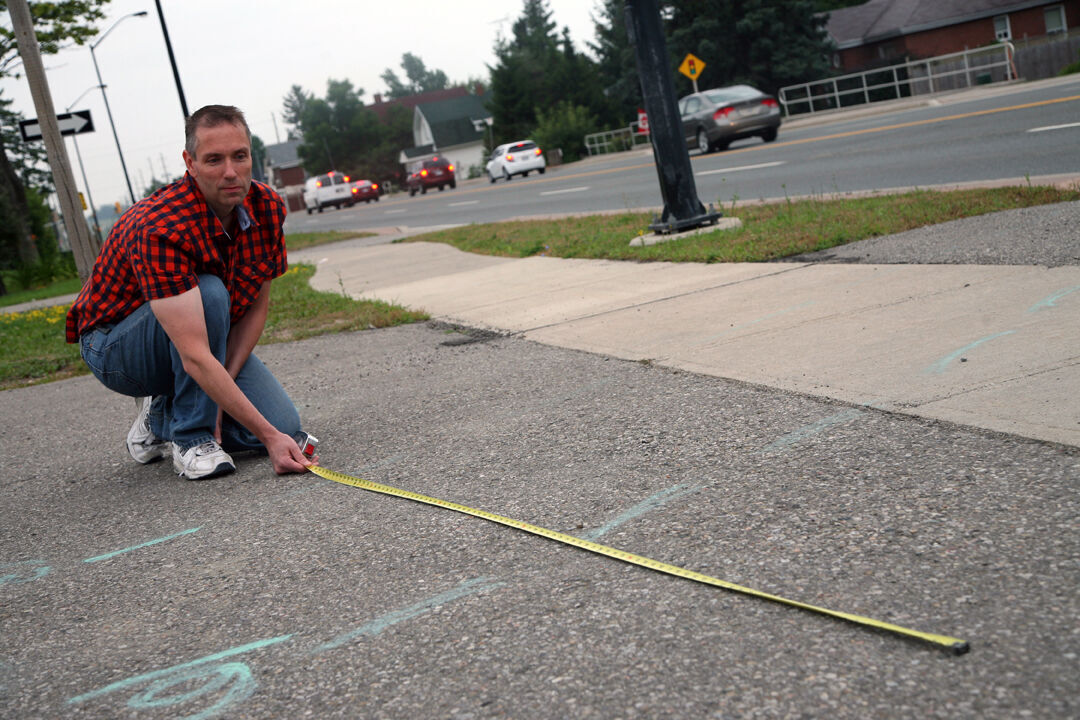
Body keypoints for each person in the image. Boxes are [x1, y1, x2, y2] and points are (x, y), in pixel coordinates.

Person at [66, 104, 317, 480]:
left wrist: (230, 403)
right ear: (190, 162)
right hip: (116, 349)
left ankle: (161, 416)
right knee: (211, 293)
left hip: (197, 341)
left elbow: (254, 311)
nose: (230, 172)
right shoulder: (159, 225)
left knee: (288, 426)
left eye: (240, 156)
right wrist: (267, 438)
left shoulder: (267, 208)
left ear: (252, 155)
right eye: (214, 159)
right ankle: (189, 435)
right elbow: (196, 355)